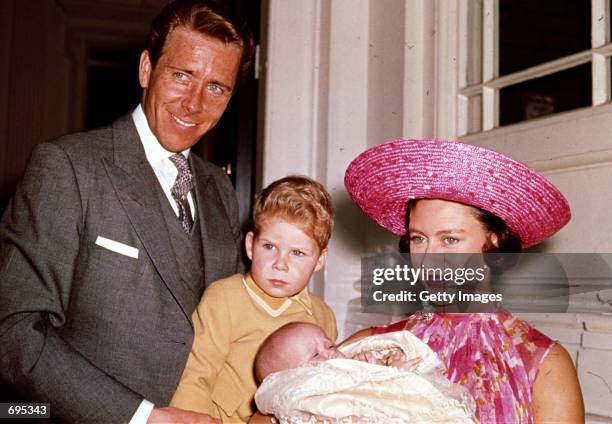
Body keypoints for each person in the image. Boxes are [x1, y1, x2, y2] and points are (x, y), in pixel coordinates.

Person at [0, 1, 254, 423]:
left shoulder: (219, 189)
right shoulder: (68, 166)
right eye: (181, 75)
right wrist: (143, 417)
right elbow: (13, 332)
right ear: (145, 69)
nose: (193, 104)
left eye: (216, 87)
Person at [342, 139, 585, 423]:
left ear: (493, 240)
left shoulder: (544, 366)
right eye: (419, 238)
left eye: (450, 239)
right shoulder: (373, 347)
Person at [170, 176, 338, 423]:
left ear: (320, 260)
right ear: (251, 245)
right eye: (269, 247)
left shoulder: (322, 316)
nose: (280, 264)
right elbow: (194, 376)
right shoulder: (225, 298)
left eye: (298, 253)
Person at [253, 322, 477, 424]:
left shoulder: (351, 364)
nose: (331, 355)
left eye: (330, 346)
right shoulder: (305, 394)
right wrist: (387, 375)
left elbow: (379, 394)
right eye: (314, 356)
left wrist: (384, 371)